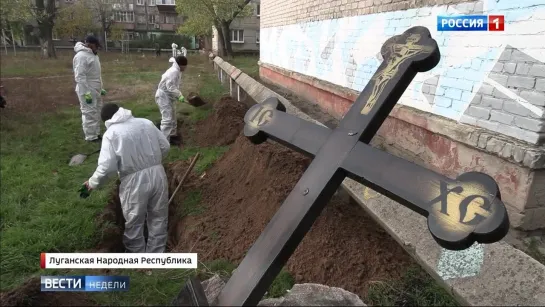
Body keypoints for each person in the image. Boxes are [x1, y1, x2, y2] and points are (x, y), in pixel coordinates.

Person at [83, 103, 171, 253]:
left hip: (133, 181)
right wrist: (152, 162)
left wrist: (92, 182)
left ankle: (137, 260)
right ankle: (156, 256)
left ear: (106, 120)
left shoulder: (111, 134)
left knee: (134, 222)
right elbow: (165, 146)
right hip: (158, 174)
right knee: (158, 217)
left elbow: (107, 167)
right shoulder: (146, 123)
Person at [73, 35, 106, 143]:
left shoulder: (93, 55)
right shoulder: (81, 56)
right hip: (86, 89)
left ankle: (96, 134)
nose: (97, 49)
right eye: (96, 46)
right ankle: (91, 137)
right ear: (91, 45)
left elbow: (96, 74)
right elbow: (80, 77)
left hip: (95, 88)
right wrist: (86, 93)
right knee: (89, 112)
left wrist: (101, 88)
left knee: (96, 111)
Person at [155, 55, 187, 146]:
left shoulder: (177, 71)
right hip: (163, 97)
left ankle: (172, 136)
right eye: (185, 66)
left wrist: (176, 96)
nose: (186, 68)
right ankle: (164, 141)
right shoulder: (173, 72)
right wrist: (179, 95)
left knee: (173, 117)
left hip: (168, 97)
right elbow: (171, 87)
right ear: (181, 65)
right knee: (167, 119)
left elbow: (173, 87)